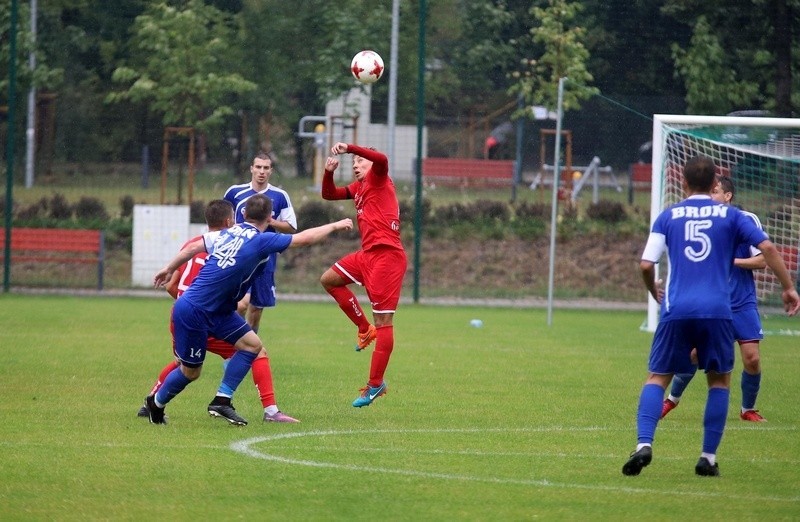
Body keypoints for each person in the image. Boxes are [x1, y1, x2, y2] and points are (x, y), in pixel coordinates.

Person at [622, 155, 799, 477]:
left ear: (685, 183)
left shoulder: (668, 216)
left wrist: (654, 292)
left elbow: (647, 265)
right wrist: (788, 287)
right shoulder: (731, 216)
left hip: (676, 309)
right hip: (718, 309)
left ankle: (644, 444)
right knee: (718, 381)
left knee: (657, 377)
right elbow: (769, 249)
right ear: (714, 183)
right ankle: (707, 457)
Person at [144, 194, 352, 425]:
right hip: (195, 311)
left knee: (253, 345)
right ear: (271, 218)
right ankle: (156, 403)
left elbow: (193, 247)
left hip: (217, 310)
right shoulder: (262, 240)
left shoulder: (226, 232)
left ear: (243, 214)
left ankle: (222, 401)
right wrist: (334, 224)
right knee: (191, 372)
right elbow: (303, 238)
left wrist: (168, 268)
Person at [661, 175, 769, 422]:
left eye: (715, 191)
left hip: (741, 303)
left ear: (728, 196)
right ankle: (671, 400)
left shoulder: (745, 220)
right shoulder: (702, 222)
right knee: (695, 355)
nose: (710, 196)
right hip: (712, 303)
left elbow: (763, 259)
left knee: (752, 358)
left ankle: (747, 409)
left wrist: (731, 261)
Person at [321, 142, 407, 408]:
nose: (356, 165)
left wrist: (349, 148)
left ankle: (375, 384)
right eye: (354, 162)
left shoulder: (380, 177)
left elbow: (380, 157)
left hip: (387, 257)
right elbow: (329, 194)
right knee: (329, 280)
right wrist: (328, 172)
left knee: (384, 321)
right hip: (367, 255)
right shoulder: (359, 188)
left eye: (360, 161)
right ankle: (362, 329)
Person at [223, 152, 297, 333]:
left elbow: (291, 227)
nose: (261, 171)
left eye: (266, 168)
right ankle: (237, 344)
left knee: (256, 308)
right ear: (251, 169)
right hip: (240, 255)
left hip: (266, 258)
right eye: (258, 167)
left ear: (271, 171)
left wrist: (271, 221)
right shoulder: (235, 192)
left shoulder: (279, 196)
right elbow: (222, 220)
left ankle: (249, 347)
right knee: (241, 305)